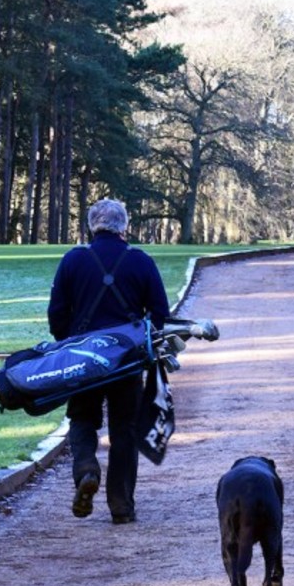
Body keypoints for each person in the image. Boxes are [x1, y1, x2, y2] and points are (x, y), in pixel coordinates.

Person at [47, 199, 170, 524]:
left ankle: (87, 468)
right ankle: (121, 505)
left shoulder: (74, 260)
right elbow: (160, 313)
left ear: (92, 226)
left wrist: (69, 342)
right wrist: (147, 347)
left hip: (84, 357)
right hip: (126, 359)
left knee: (82, 420)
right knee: (124, 430)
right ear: (124, 227)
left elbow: (56, 313)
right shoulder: (140, 261)